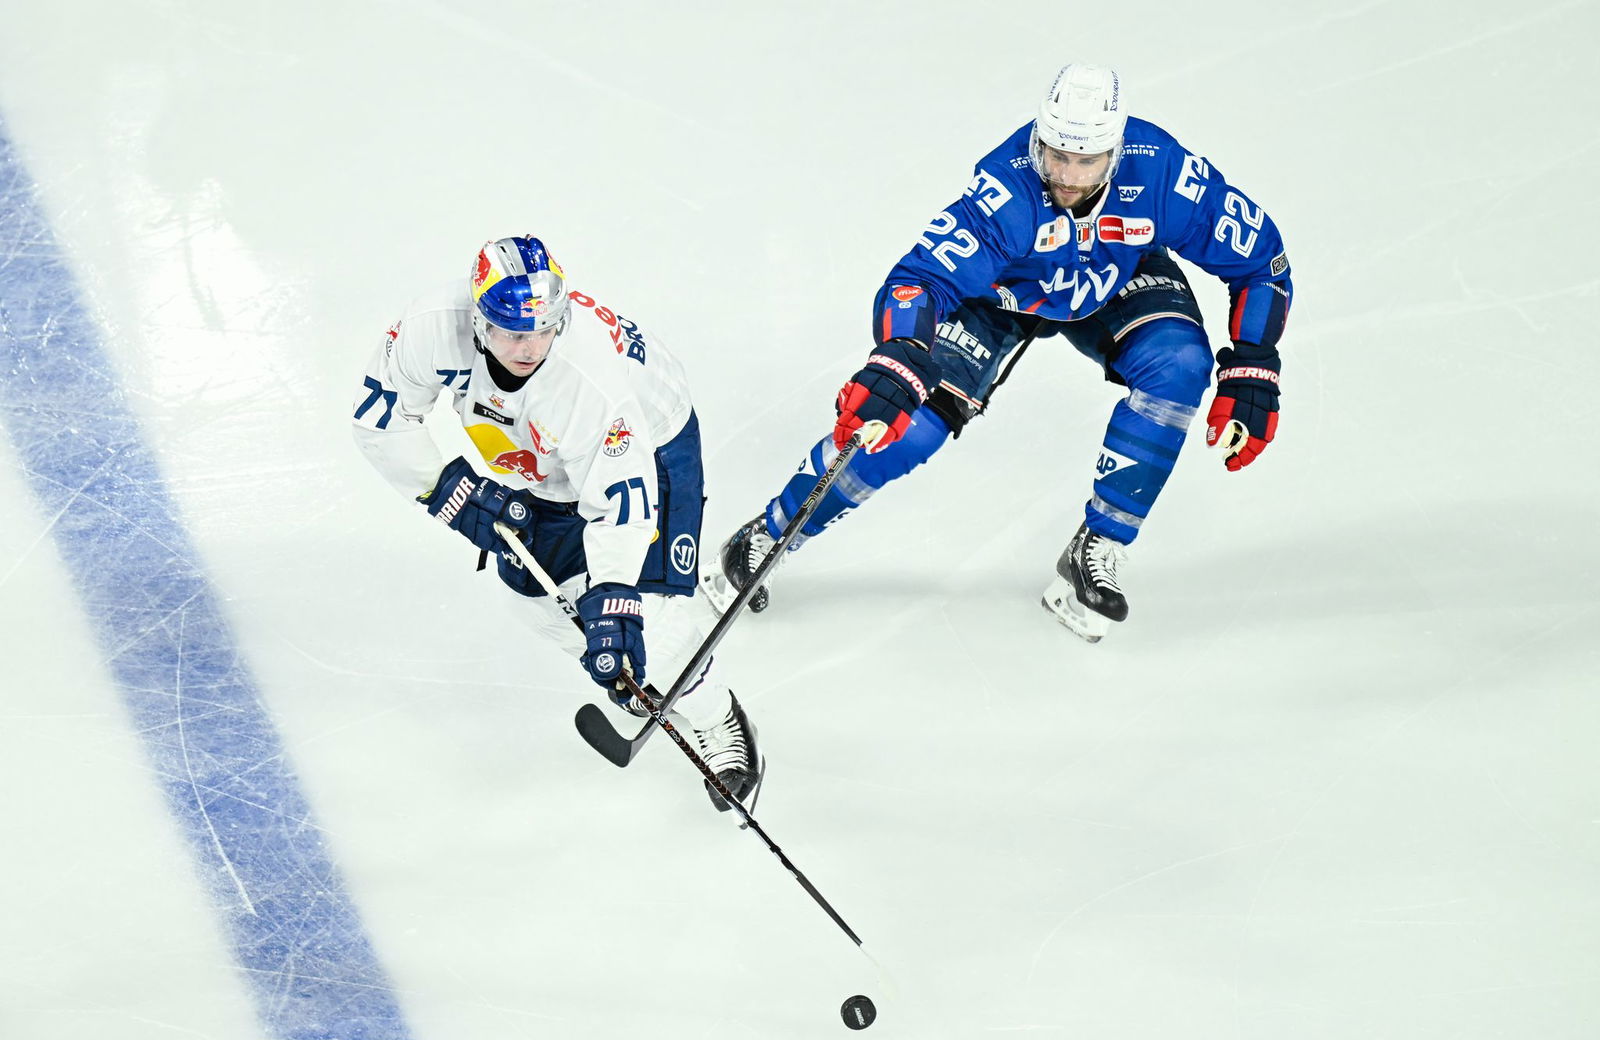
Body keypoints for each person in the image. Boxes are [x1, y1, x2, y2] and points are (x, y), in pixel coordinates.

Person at [702, 63, 1293, 641]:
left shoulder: (1163, 172)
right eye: (1055, 154)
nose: (1064, 173)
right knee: (908, 428)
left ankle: (1100, 544)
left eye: (1084, 160)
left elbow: (1261, 259)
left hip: (1113, 279)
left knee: (1180, 368)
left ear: (1114, 152)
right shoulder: (1007, 191)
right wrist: (901, 353)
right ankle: (770, 533)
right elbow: (918, 280)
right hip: (1002, 295)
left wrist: (1253, 363)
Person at [352, 235, 762, 808]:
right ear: (478, 320)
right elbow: (379, 420)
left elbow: (620, 497)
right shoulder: (430, 331)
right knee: (535, 595)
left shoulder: (583, 375)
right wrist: (449, 492)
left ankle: (718, 717)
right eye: (514, 332)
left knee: (645, 616)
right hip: (547, 457)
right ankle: (634, 672)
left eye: (545, 327)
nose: (530, 346)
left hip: (651, 443)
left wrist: (615, 599)